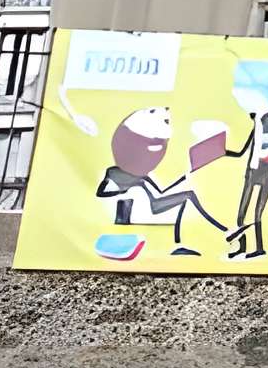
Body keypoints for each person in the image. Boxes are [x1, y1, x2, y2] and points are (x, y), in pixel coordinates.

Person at [94, 106, 229, 256]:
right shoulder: (114, 172)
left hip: (154, 205)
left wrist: (181, 180)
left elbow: (159, 193)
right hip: (139, 214)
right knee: (188, 196)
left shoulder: (143, 177)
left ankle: (187, 240)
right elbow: (101, 192)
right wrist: (125, 191)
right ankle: (219, 228)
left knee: (188, 195)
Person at [222, 60, 268, 260]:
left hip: (266, 169)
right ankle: (241, 248)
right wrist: (226, 153)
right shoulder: (257, 118)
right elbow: (247, 147)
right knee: (241, 212)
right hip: (251, 170)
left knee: (257, 213)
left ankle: (258, 248)